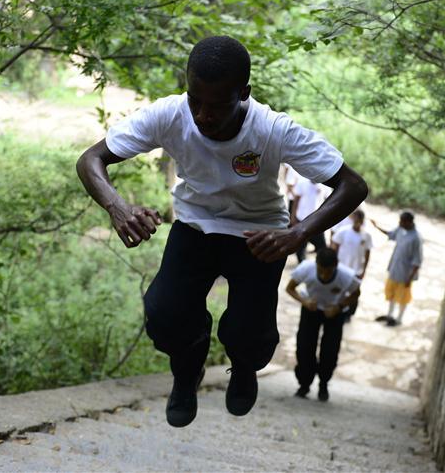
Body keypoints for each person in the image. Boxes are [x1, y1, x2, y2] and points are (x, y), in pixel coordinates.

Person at [76, 36, 368, 427]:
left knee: (252, 336)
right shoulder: (169, 114)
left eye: (217, 105)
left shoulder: (273, 130)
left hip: (260, 235)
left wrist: (298, 234)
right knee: (163, 315)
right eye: (195, 99)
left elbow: (353, 185)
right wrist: (118, 207)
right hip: (196, 225)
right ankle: (187, 369)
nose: (203, 115)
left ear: (243, 93)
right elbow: (91, 159)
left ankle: (244, 366)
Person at [285, 248, 360, 402]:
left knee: (330, 350)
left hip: (334, 313)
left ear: (336, 266)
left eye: (328, 272)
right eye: (321, 271)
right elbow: (290, 288)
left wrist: (338, 307)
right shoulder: (306, 268)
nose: (324, 275)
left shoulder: (346, 276)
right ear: (316, 264)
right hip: (311, 309)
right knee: (305, 347)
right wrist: (304, 301)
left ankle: (323, 384)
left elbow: (356, 293)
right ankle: (304, 385)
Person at [370, 212, 422, 327]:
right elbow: (390, 234)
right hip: (394, 269)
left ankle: (399, 319)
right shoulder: (400, 230)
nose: (399, 223)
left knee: (403, 298)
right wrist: (376, 226)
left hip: (405, 274)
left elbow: (417, 261)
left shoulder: (416, 238)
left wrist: (410, 278)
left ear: (409, 222)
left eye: (402, 221)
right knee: (391, 293)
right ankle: (390, 315)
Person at [330, 209, 372, 321]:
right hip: (342, 267)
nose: (358, 222)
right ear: (352, 219)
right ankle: (337, 309)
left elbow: (367, 253)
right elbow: (334, 247)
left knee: (354, 291)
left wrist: (364, 270)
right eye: (356, 219)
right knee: (339, 290)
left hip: (356, 269)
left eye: (360, 220)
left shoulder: (366, 235)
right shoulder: (343, 231)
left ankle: (350, 313)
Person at [291, 174, 327, 262]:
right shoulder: (302, 182)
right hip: (302, 219)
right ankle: (302, 263)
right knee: (300, 246)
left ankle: (321, 264)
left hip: (317, 221)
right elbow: (296, 200)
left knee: (321, 246)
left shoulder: (324, 185)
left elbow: (327, 201)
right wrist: (293, 217)